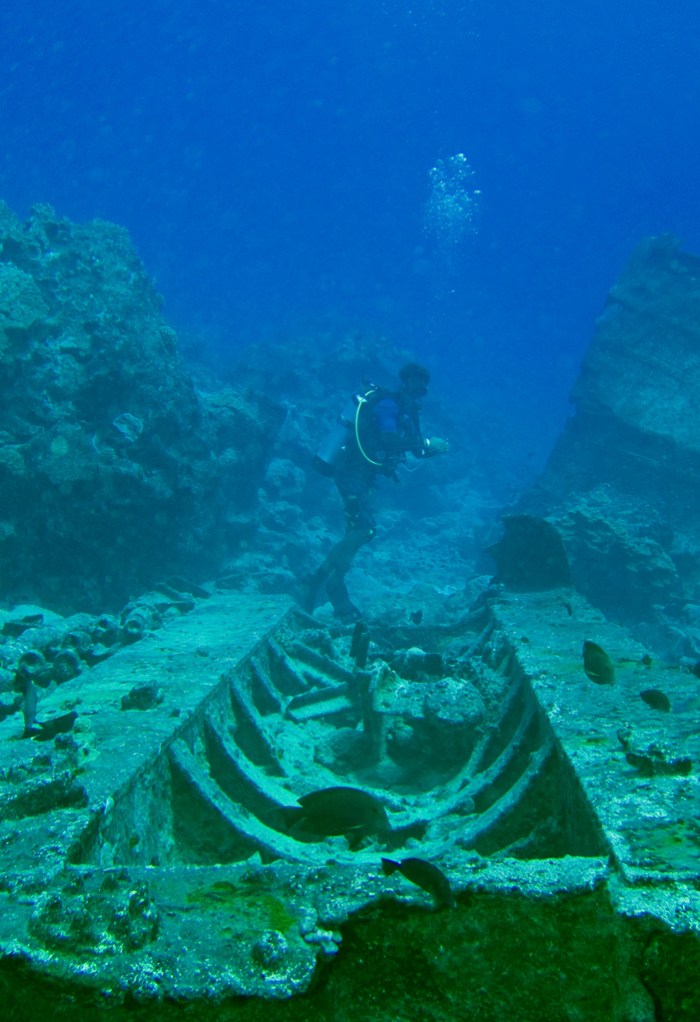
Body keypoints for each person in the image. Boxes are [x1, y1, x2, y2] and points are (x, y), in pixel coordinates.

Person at [302, 361, 449, 622]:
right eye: (414, 383)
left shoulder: (409, 412)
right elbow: (389, 440)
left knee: (357, 532)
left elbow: (414, 450)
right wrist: (426, 442)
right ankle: (324, 584)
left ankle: (327, 585)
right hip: (351, 471)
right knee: (363, 529)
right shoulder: (388, 405)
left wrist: (431, 448)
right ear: (404, 382)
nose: (417, 390)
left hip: (366, 476)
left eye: (421, 386)